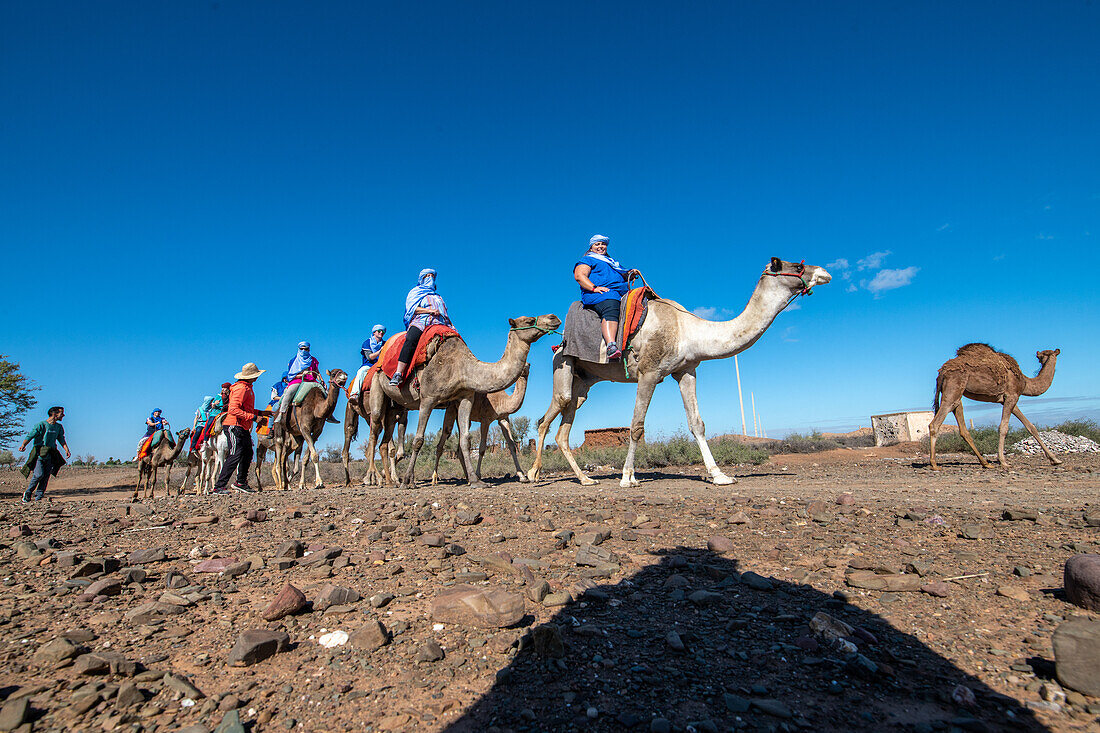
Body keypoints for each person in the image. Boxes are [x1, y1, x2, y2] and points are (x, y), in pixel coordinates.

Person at [573, 234, 639, 360]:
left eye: (603, 244)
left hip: (620, 292)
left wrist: (630, 273)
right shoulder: (587, 260)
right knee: (611, 304)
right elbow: (580, 276)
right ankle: (611, 345)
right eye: (597, 244)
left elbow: (621, 276)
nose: (601, 246)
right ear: (591, 247)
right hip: (599, 294)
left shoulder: (613, 263)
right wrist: (594, 288)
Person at [390, 268, 451, 386]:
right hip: (421, 321)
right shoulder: (415, 292)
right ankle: (398, 373)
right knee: (411, 339)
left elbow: (444, 313)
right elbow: (412, 309)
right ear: (422, 279)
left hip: (439, 323)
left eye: (432, 276)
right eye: (428, 276)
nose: (431, 278)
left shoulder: (438, 297)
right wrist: (429, 311)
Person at [213, 362, 265, 494]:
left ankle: (241, 482)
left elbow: (245, 408)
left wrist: (261, 413)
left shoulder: (247, 388)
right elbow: (233, 409)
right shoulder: (241, 388)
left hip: (242, 426)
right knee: (235, 454)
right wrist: (253, 418)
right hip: (234, 426)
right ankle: (219, 487)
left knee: (247, 453)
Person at [18, 406, 70, 502]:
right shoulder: (41, 425)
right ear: (54, 414)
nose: (63, 415)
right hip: (40, 453)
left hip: (50, 453)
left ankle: (39, 496)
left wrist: (66, 449)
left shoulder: (58, 427)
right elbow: (30, 435)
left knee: (46, 476)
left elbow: (61, 439)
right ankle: (28, 493)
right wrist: (23, 445)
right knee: (38, 475)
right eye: (61, 413)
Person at [272, 342, 323, 427]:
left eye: (305, 349)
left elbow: (317, 371)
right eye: (301, 349)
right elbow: (291, 375)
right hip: (298, 380)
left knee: (324, 392)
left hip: (311, 381)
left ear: (309, 349)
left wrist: (321, 380)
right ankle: (281, 413)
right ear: (299, 349)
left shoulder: (313, 360)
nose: (303, 351)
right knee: (289, 393)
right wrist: (302, 374)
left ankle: (329, 415)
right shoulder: (294, 360)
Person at [350, 325, 386, 399]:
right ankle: (354, 394)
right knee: (361, 372)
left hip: (382, 365)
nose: (381, 332)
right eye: (379, 331)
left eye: (383, 331)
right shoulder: (367, 343)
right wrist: (380, 351)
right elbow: (370, 357)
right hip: (369, 365)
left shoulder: (385, 343)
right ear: (374, 332)